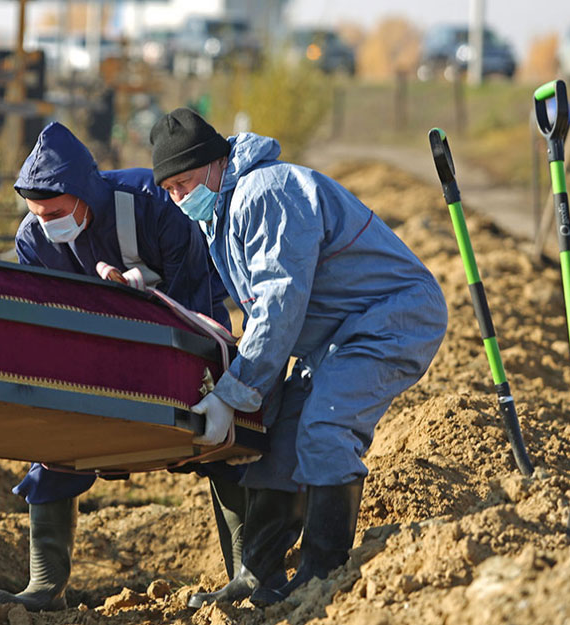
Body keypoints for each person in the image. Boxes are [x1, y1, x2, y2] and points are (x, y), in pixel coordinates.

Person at [148, 108, 447, 607]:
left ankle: (321, 572)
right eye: (171, 190)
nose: (181, 198)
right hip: (331, 332)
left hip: (389, 316)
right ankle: (256, 574)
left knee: (324, 427)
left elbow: (278, 303)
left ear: (217, 162)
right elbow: (267, 311)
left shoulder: (265, 192)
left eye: (186, 182)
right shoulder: (221, 212)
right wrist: (256, 396)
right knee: (282, 438)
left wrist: (234, 393)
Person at [0, 121, 257, 612]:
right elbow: (44, 320)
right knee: (54, 438)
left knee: (224, 437)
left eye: (57, 212)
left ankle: (248, 575)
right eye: (38, 214)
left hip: (181, 327)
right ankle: (45, 586)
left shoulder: (155, 205)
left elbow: (196, 295)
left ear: (84, 196)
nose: (47, 224)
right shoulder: (34, 239)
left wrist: (148, 304)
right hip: (87, 347)